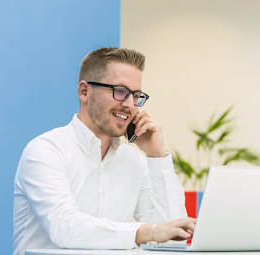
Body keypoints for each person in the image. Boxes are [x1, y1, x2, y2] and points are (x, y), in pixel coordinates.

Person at [12, 47, 195, 255]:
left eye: (136, 96)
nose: (129, 105)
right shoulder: (45, 151)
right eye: (120, 91)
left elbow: (172, 241)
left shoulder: (135, 161)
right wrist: (147, 232)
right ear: (84, 91)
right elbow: (65, 228)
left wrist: (157, 156)